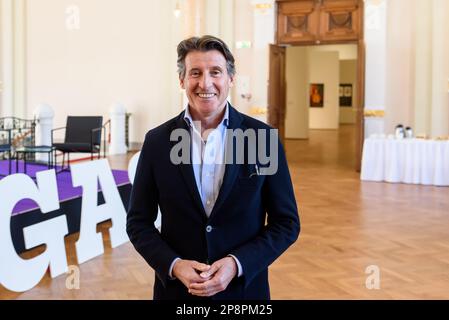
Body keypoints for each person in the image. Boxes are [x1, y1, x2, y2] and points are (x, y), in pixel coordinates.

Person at [126, 35, 300, 300]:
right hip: (177, 293)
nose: (205, 83)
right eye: (195, 73)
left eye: (215, 72)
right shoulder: (157, 141)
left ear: (230, 79)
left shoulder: (262, 139)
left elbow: (286, 223)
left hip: (243, 292)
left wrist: (237, 263)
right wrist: (174, 265)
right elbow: (138, 222)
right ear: (182, 80)